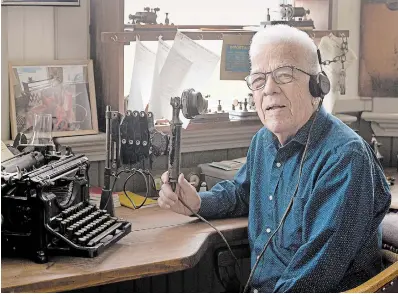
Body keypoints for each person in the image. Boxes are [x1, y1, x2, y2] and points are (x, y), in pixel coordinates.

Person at [157, 25, 391, 292]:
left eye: (284, 75)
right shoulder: (263, 142)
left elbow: (315, 275)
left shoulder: (346, 157)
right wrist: (197, 203)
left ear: (317, 86)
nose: (269, 89)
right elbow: (243, 193)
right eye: (258, 80)